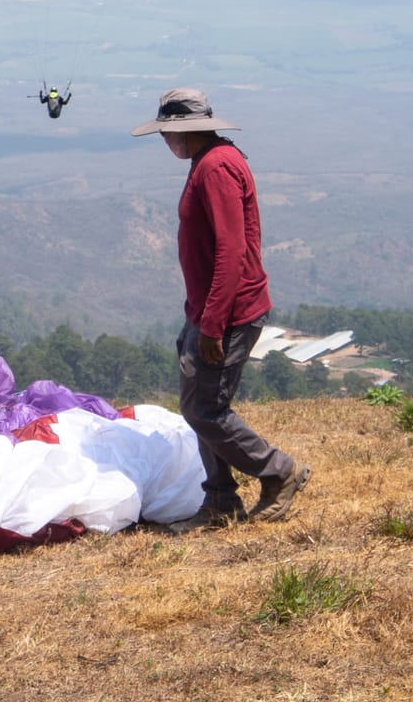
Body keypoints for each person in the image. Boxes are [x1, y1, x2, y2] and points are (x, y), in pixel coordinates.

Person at [132, 88, 311, 528]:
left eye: (166, 133)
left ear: (181, 130)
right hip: (209, 309)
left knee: (205, 410)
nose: (164, 141)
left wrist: (212, 325)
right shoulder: (210, 161)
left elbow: (231, 251)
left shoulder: (216, 167)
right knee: (199, 404)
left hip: (229, 313)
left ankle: (278, 471)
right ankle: (219, 502)